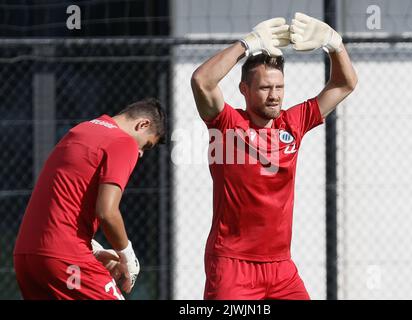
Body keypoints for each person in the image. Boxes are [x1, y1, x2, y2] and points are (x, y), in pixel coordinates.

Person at [191, 13, 357, 299]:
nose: (274, 95)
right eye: (265, 87)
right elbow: (201, 80)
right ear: (244, 90)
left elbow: (344, 84)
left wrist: (334, 44)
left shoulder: (294, 122)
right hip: (233, 265)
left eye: (279, 87)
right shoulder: (227, 124)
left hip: (281, 268)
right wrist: (247, 43)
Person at [13, 98, 166, 300]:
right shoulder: (123, 142)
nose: (140, 154)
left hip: (27, 257)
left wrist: (93, 250)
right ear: (143, 124)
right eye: (145, 145)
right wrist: (128, 256)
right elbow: (107, 212)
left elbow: (59, 201)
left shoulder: (81, 130)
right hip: (65, 256)